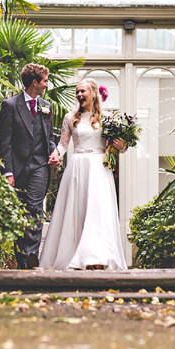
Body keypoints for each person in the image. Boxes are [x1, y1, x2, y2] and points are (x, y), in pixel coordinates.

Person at [39, 78, 128, 270]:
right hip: (77, 166)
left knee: (97, 212)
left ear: (93, 93)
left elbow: (118, 146)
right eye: (77, 92)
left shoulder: (108, 119)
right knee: (76, 210)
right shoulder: (70, 118)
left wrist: (122, 147)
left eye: (83, 91)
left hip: (99, 168)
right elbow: (63, 144)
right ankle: (74, 255)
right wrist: (55, 155)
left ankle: (98, 258)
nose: (79, 95)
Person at [0, 63, 60, 270]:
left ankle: (32, 258)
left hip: (40, 167)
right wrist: (7, 172)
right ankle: (22, 260)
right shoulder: (10, 105)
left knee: (34, 210)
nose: (46, 85)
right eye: (44, 81)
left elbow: (49, 137)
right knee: (20, 213)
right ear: (34, 82)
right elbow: (5, 142)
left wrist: (53, 152)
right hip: (18, 169)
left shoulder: (46, 106)